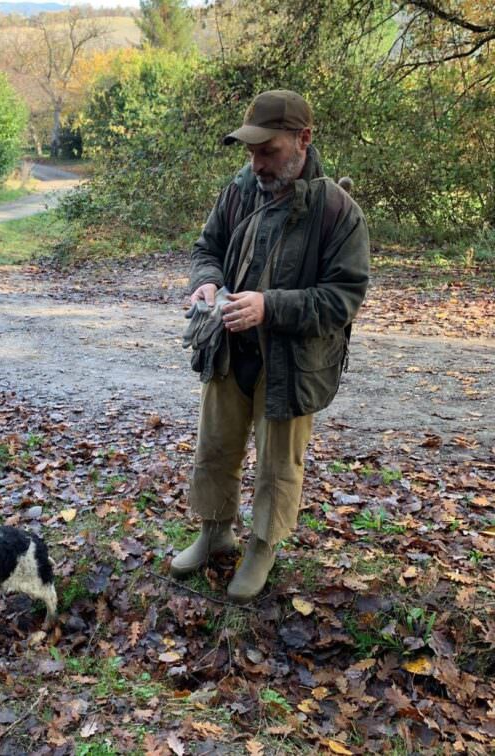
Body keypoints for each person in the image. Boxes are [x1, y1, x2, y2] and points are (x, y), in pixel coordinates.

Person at [174, 89, 370, 603]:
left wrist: (269, 307)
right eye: (251, 152)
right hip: (227, 349)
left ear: (304, 139)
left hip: (293, 363)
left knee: (279, 464)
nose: (257, 164)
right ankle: (214, 533)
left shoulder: (338, 212)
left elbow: (343, 297)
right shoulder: (238, 192)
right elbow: (207, 248)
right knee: (215, 446)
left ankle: (262, 547)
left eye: (268, 151)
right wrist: (206, 282)